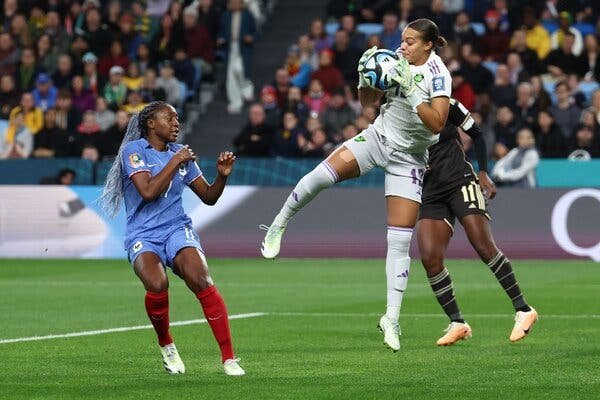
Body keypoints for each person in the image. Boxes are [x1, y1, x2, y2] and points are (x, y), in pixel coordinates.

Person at [261, 19, 452, 352]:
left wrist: (408, 88)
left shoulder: (439, 75)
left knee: (398, 241)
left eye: (409, 42)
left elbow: (437, 123)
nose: (402, 46)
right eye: (402, 40)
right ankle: (278, 224)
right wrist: (366, 77)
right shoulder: (395, 60)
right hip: (378, 139)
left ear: (428, 45)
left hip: (409, 158)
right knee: (320, 176)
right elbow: (367, 101)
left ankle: (391, 319)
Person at [100, 101, 245, 376]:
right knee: (157, 283)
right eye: (170, 118)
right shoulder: (134, 152)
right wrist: (175, 161)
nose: (176, 123)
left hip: (176, 229)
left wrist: (222, 177)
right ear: (151, 124)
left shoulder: (181, 154)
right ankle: (167, 344)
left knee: (201, 278)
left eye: (177, 118)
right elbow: (147, 192)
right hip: (143, 233)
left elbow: (209, 197)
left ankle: (229, 358)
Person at [417, 98, 538, 347]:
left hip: (460, 181)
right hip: (429, 192)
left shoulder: (443, 102)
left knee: (483, 245)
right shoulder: (394, 113)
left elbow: (477, 133)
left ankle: (524, 309)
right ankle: (457, 322)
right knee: (430, 258)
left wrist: (483, 172)